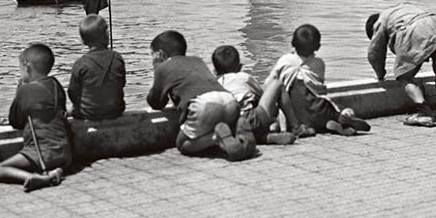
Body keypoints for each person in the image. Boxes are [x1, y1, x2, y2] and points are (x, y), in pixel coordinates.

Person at [147, 30, 254, 161]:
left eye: (152, 55)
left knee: (183, 144)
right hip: (229, 100)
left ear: (160, 54)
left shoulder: (163, 68)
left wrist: (157, 67)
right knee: (217, 122)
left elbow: (156, 102)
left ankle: (216, 137)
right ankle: (233, 133)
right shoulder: (197, 60)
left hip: (204, 105)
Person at [0, 43, 70, 191]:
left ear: (27, 67)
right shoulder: (55, 85)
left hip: (41, 152)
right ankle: (56, 171)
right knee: (51, 160)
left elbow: (16, 121)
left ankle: (34, 177)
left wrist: (19, 89)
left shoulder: (25, 90)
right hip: (64, 151)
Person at [266, 25, 370, 137]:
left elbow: (269, 83)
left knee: (302, 116)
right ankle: (337, 120)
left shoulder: (284, 60)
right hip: (319, 109)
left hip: (294, 113)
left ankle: (316, 125)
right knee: (329, 111)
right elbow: (319, 89)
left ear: (292, 44)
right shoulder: (319, 64)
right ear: (318, 46)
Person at [366, 4, 436, 127]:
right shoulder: (399, 9)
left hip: (414, 29)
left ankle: (424, 113)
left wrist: (380, 74)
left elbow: (375, 53)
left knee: (404, 77)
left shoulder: (380, 21)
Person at [211, 45, 296, 145]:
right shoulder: (243, 77)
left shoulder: (213, 83)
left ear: (215, 71)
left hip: (230, 126)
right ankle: (295, 126)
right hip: (251, 120)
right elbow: (261, 95)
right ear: (240, 67)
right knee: (277, 85)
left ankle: (263, 137)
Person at [68, 15, 126, 120]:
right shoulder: (117, 57)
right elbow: (121, 83)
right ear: (106, 36)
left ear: (83, 41)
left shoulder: (80, 63)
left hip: (89, 113)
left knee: (67, 111)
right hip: (116, 111)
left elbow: (73, 92)